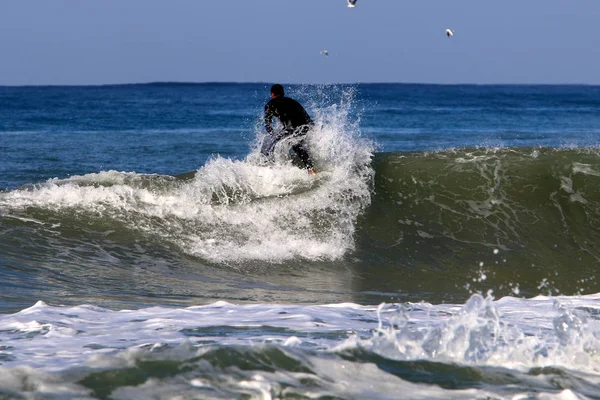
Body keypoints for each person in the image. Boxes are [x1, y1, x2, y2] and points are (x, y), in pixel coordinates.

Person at [261, 84, 316, 174]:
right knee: (296, 143)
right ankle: (310, 168)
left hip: (291, 128)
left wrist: (273, 135)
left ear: (272, 94)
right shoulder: (293, 102)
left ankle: (270, 168)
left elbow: (268, 125)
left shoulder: (270, 105)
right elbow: (308, 118)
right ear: (283, 93)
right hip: (304, 126)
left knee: (274, 144)